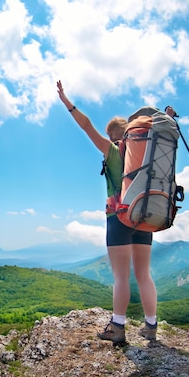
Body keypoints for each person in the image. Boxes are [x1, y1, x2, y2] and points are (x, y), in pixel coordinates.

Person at [56, 80, 158, 344]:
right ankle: (150, 326)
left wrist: (68, 103)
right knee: (144, 274)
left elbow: (86, 126)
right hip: (144, 217)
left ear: (115, 136)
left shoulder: (113, 150)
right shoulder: (146, 157)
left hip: (119, 217)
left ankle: (118, 327)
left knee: (121, 276)